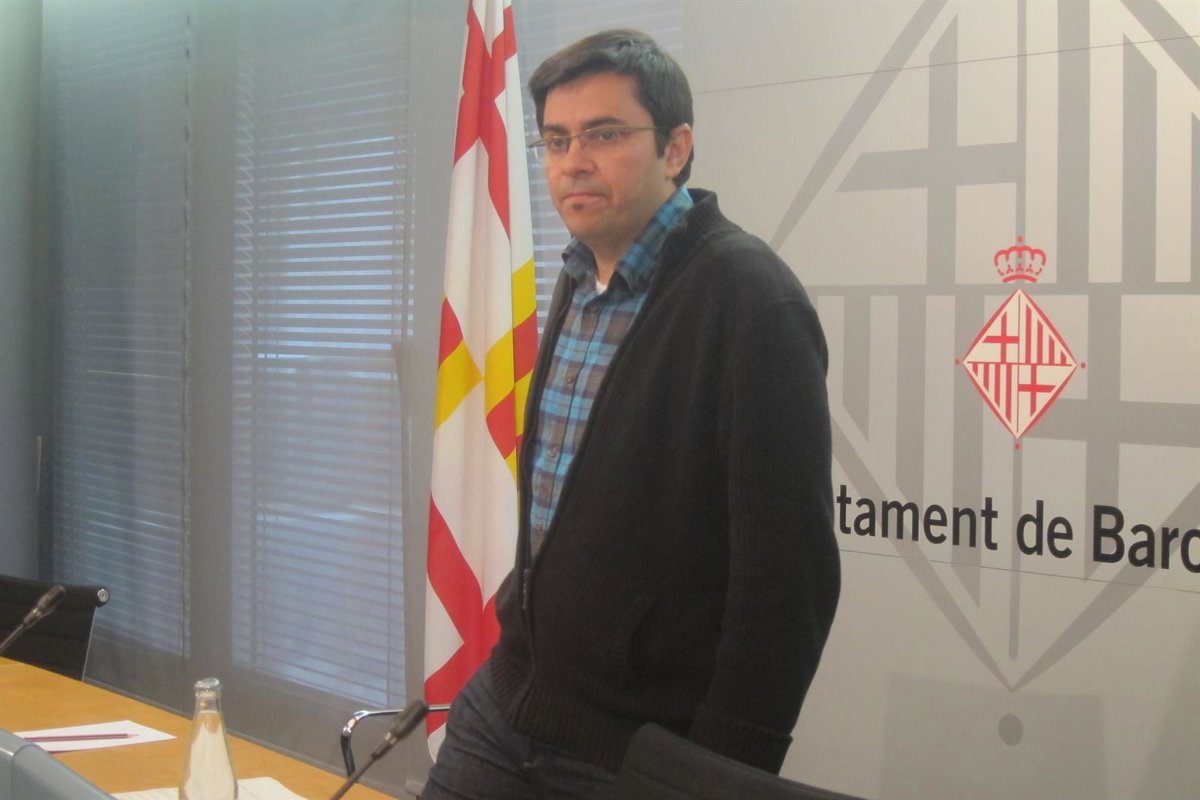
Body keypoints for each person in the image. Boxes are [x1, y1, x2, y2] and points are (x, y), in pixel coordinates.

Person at [422, 28, 840, 800]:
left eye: (604, 134)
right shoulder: (579, 276)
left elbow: (789, 580)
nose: (572, 161)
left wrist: (715, 772)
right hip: (509, 702)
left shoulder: (750, 301)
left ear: (675, 148)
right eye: (556, 140)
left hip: (639, 749)